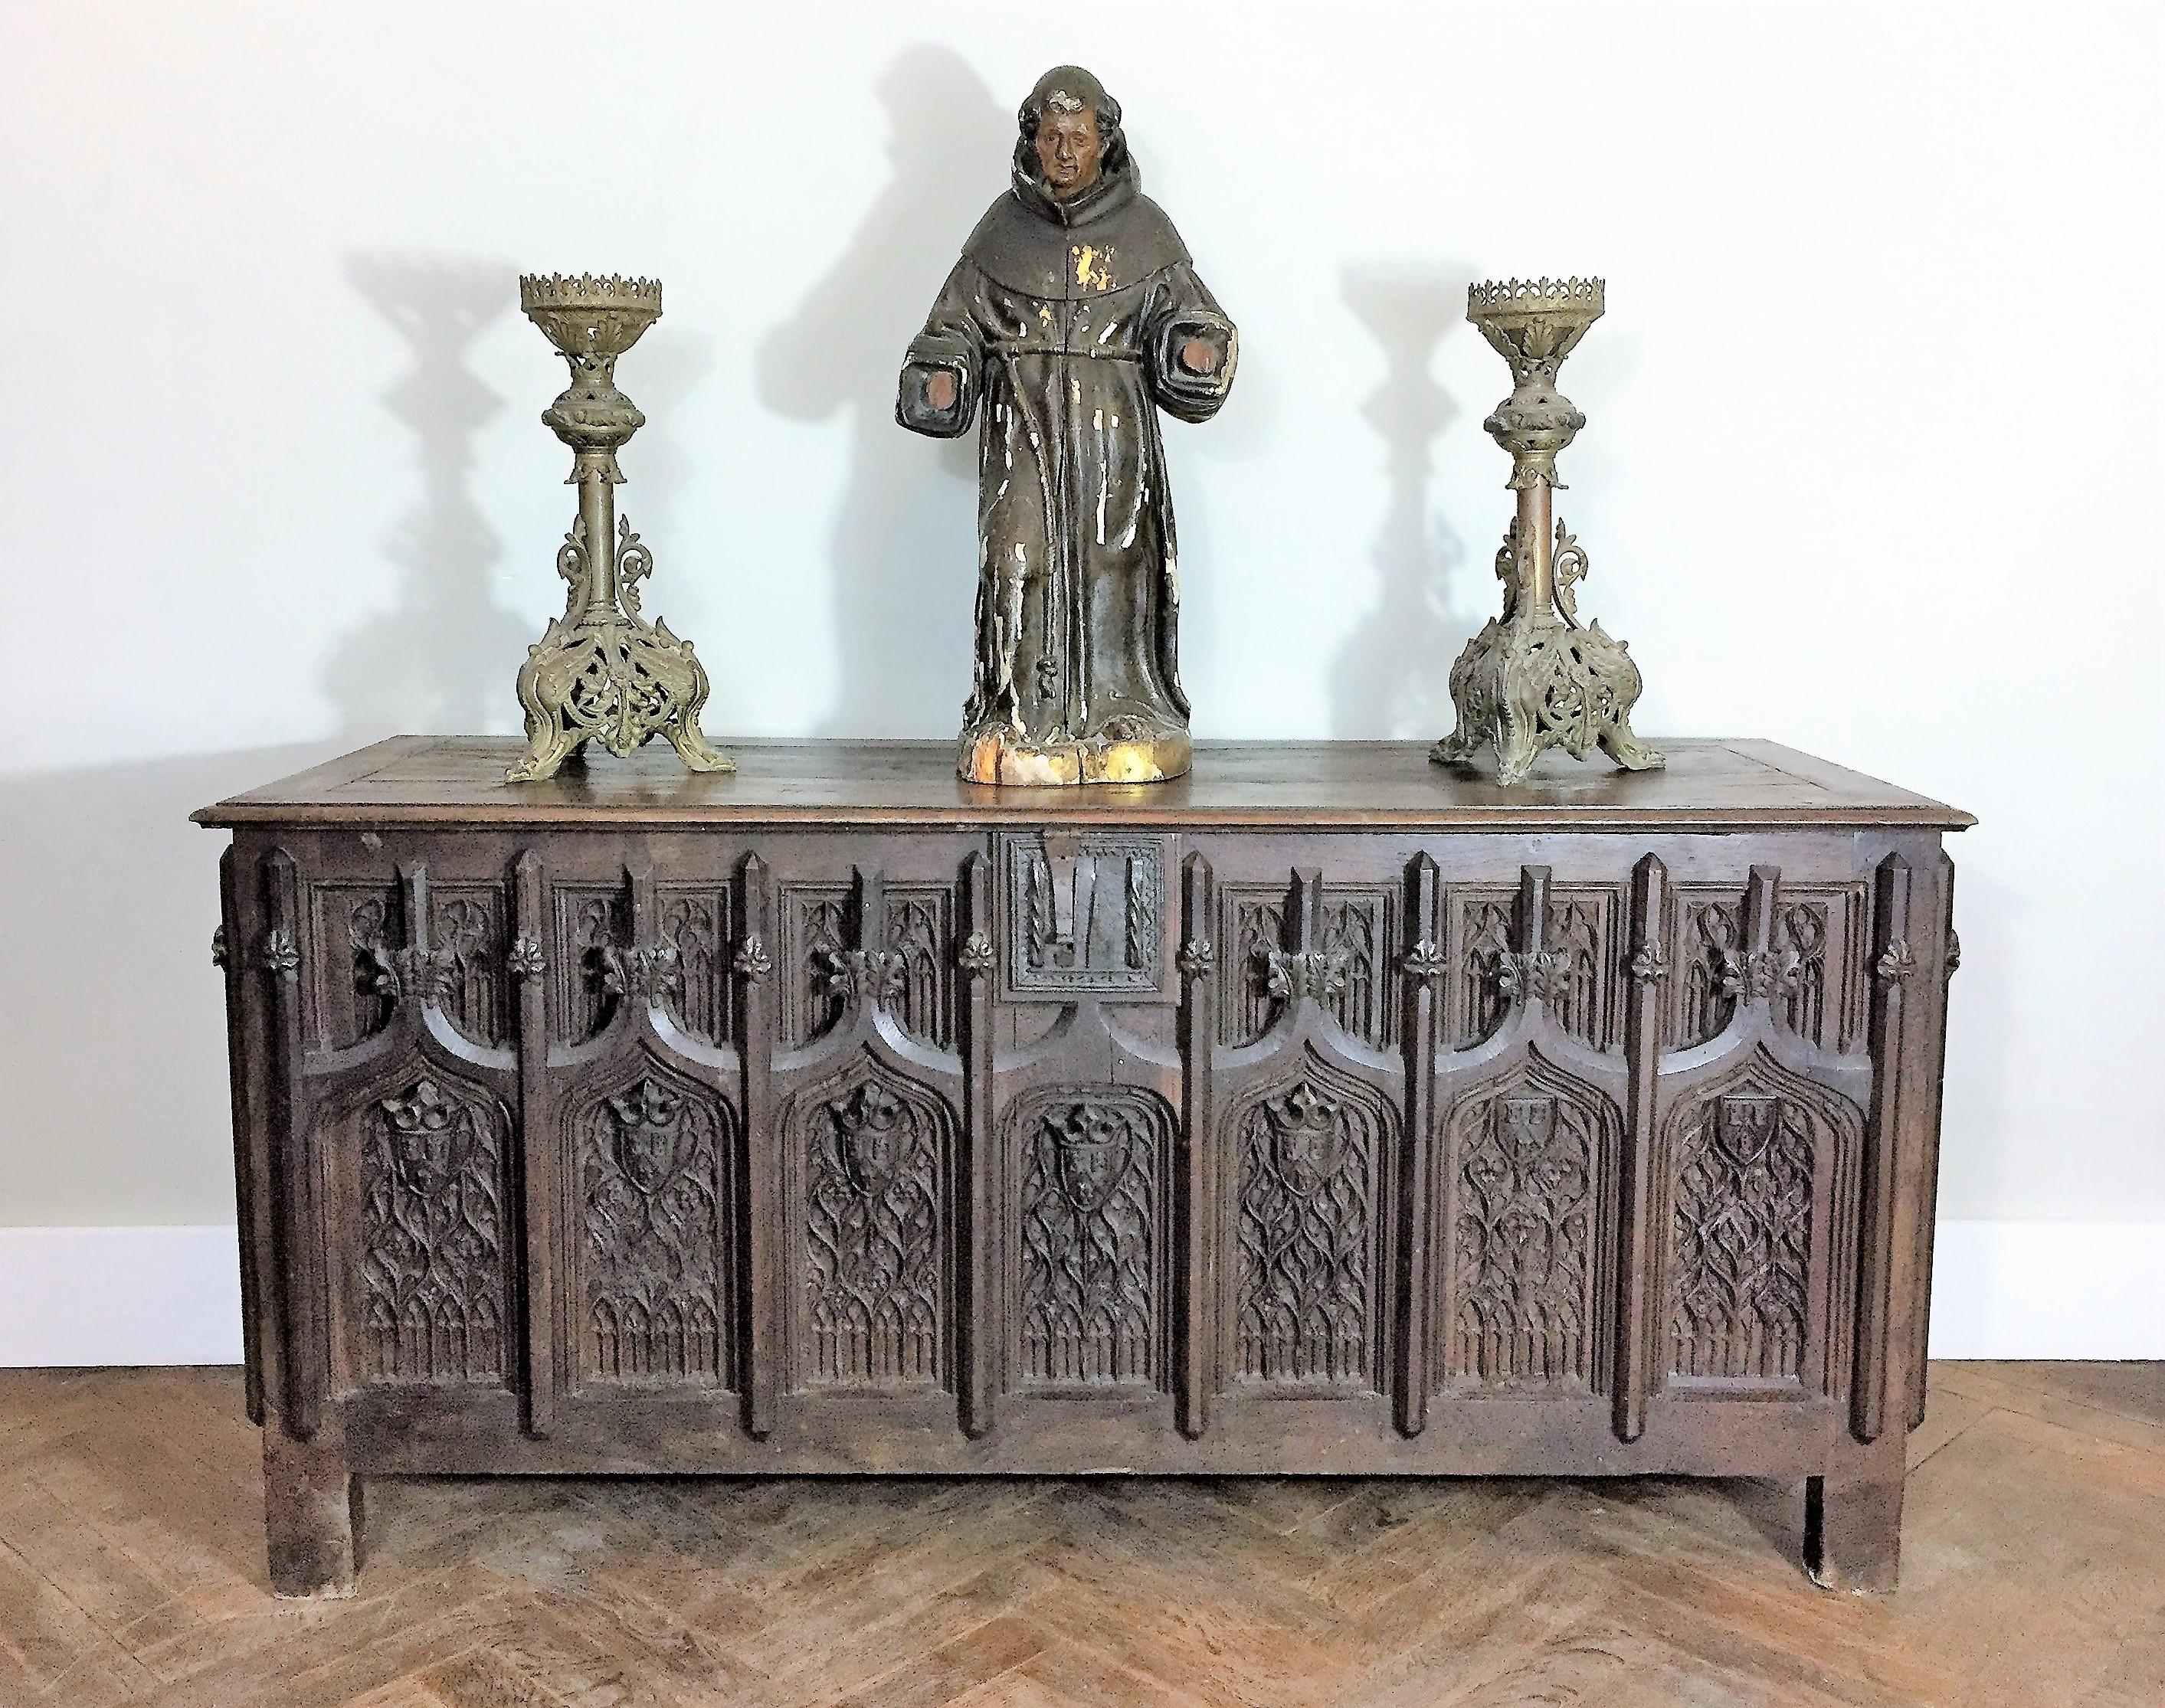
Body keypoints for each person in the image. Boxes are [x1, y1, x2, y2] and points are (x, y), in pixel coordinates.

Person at [897, 65, 1237, 784]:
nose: (1064, 151)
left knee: (1117, 562)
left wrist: (1194, 346)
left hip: (1114, 438)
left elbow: (1190, 318)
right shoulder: (999, 232)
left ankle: (1125, 707)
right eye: (1051, 136)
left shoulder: (1146, 232)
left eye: (1077, 136)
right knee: (1017, 560)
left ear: (1104, 141)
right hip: (1023, 433)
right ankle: (1016, 712)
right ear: (1033, 141)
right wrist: (946, 371)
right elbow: (953, 327)